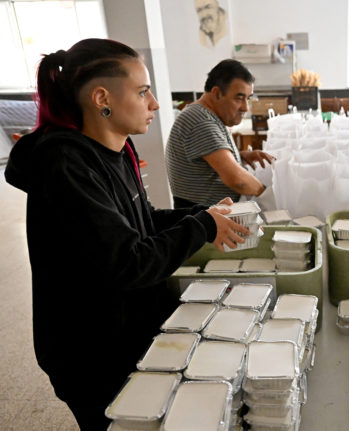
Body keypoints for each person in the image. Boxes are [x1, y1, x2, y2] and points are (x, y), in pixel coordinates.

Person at [4, 38, 249, 430]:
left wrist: (203, 215)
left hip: (128, 329)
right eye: (142, 91)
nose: (154, 103)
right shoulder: (64, 164)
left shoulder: (117, 149)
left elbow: (142, 220)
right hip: (89, 349)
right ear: (103, 97)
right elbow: (126, 261)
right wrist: (202, 226)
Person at [165, 59, 274, 208]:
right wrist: (268, 196)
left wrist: (238, 156)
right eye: (239, 98)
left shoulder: (204, 115)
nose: (245, 108)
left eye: (248, 99)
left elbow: (204, 165)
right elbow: (237, 180)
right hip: (200, 218)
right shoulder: (201, 121)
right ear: (216, 93)